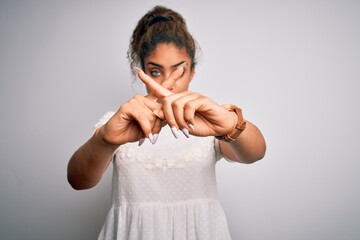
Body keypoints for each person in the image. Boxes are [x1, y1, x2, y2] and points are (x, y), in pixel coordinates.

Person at [67, 5, 266, 240]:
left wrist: (231, 124)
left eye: (179, 71)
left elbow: (255, 153)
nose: (167, 84)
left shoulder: (208, 120)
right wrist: (104, 139)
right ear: (141, 72)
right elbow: (78, 180)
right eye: (155, 72)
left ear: (192, 72)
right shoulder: (118, 122)